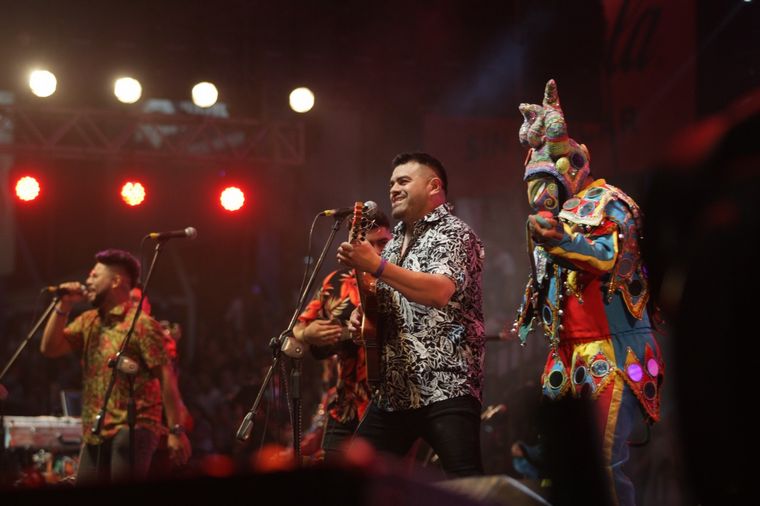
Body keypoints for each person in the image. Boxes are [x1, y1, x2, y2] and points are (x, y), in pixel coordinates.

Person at [509, 80, 664, 506]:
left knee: (602, 464)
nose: (541, 196)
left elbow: (606, 257)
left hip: (611, 349)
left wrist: (558, 241)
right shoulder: (558, 213)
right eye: (534, 186)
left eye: (547, 183)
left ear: (573, 168)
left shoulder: (610, 203)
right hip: (567, 354)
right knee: (562, 467)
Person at [337, 152, 485, 478]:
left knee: (466, 483)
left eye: (403, 181)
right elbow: (390, 301)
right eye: (391, 183)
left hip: (445, 385)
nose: (393, 189)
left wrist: (376, 265)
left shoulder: (454, 232)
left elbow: (438, 292)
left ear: (434, 186)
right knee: (351, 478)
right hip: (395, 392)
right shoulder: (394, 243)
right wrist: (365, 306)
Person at [40, 248, 191, 484]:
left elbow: (166, 378)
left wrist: (176, 431)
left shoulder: (142, 325)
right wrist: (63, 305)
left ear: (116, 281)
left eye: (95, 275)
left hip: (134, 427)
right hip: (96, 429)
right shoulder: (89, 320)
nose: (88, 280)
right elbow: (50, 348)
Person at [293, 210, 392, 464]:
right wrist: (307, 333)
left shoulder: (399, 278)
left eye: (383, 242)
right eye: (369, 243)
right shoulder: (335, 281)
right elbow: (297, 329)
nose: (377, 251)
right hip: (345, 404)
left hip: (391, 407)